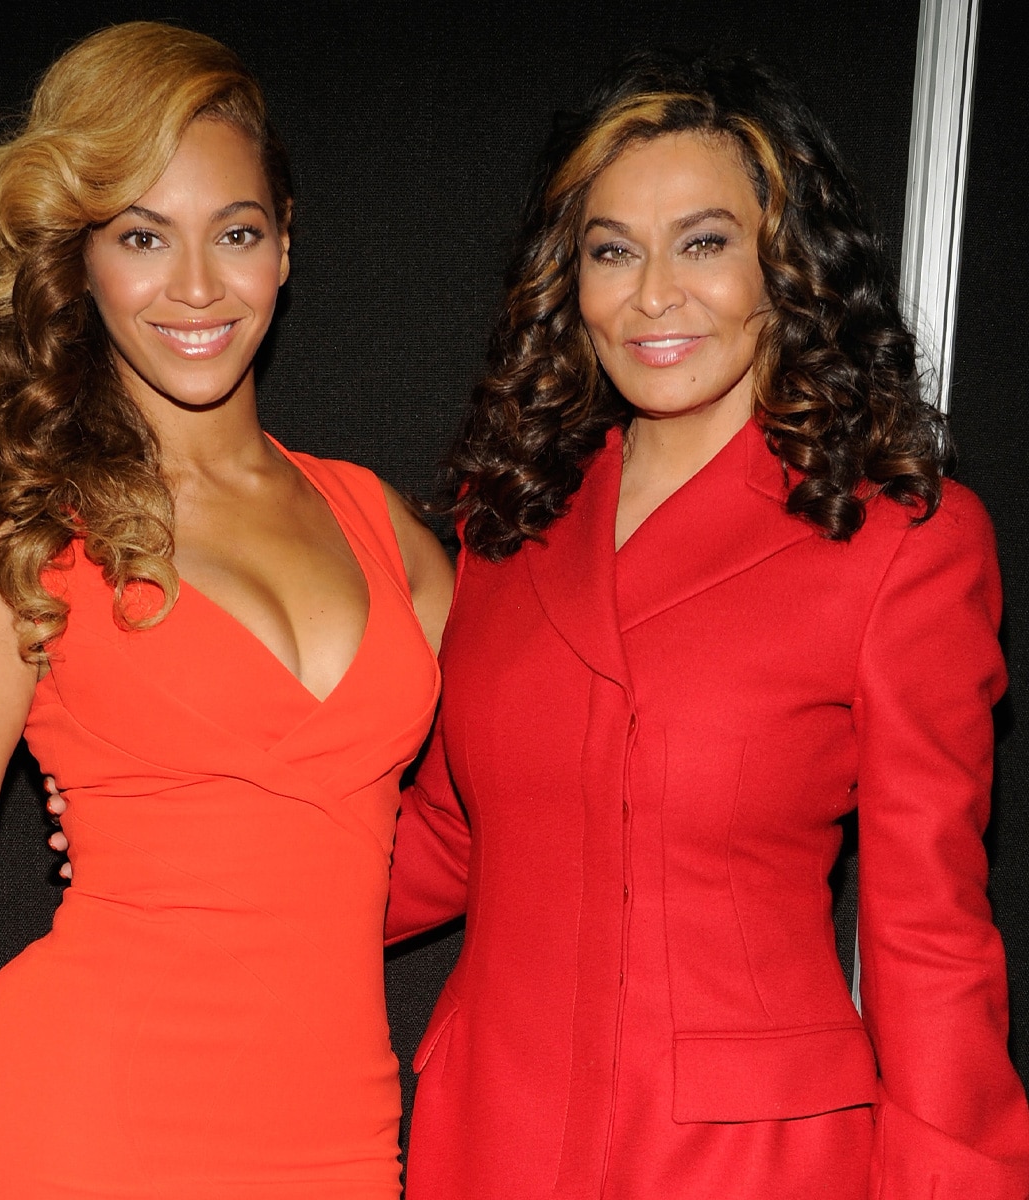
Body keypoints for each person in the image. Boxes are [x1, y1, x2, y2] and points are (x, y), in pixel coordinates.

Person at [383, 52, 1029, 1200]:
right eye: (613, 250)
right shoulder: (509, 516)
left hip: (745, 1158)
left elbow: (928, 929)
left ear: (790, 263)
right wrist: (200, 869)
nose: (653, 296)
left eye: (704, 243)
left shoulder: (897, 542)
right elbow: (453, 834)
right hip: (491, 1135)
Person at [0, 21, 453, 1200]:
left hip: (337, 1134)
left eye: (235, 233)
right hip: (86, 1122)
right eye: (142, 236)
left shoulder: (380, 525)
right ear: (78, 262)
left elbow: (515, 785)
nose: (195, 286)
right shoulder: (24, 547)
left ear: (285, 244)